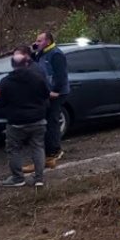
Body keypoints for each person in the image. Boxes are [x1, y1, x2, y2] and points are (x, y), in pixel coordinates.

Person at [0, 49, 50, 188]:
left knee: (14, 149)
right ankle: (39, 178)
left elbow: (0, 103)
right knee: (38, 147)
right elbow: (45, 95)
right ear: (27, 63)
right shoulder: (38, 78)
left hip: (16, 122)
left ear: (12, 65)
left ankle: (17, 178)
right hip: (37, 119)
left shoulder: (6, 82)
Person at [33, 30, 69, 167]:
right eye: (36, 40)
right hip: (46, 92)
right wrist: (33, 50)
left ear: (48, 41)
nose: (37, 43)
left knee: (53, 121)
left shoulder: (56, 54)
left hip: (57, 93)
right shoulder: (41, 53)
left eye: (39, 41)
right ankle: (49, 148)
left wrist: (55, 91)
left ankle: (55, 150)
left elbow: (61, 75)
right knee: (48, 121)